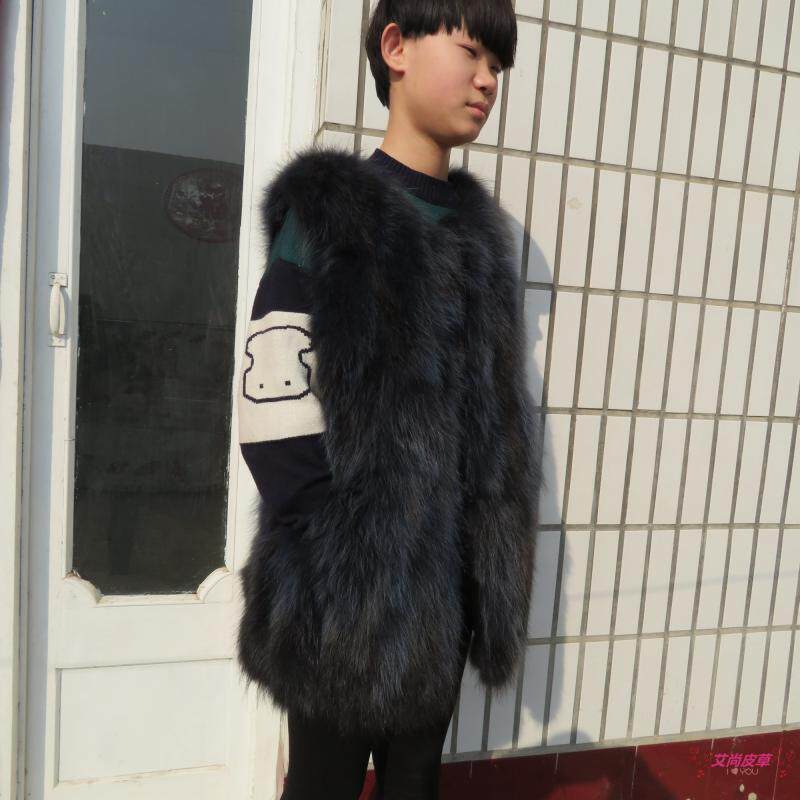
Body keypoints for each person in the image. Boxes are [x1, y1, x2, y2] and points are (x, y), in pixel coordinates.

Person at [236, 1, 543, 798]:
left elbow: (491, 435)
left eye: (498, 65)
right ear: (396, 47)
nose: (487, 80)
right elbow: (272, 405)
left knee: (415, 783)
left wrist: (481, 575)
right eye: (472, 52)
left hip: (438, 605)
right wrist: (346, 557)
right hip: (335, 601)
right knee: (322, 785)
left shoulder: (478, 243)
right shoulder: (333, 216)